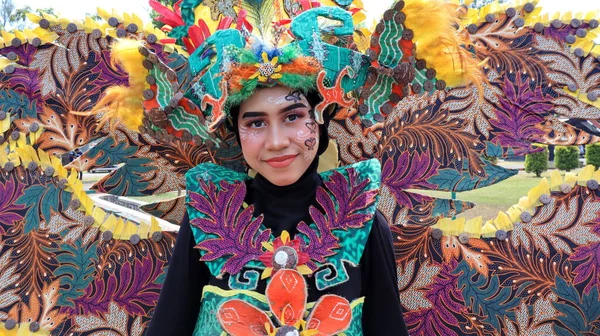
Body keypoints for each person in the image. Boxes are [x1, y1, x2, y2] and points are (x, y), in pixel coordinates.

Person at [146, 85, 408, 335]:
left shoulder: (360, 219)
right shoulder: (208, 213)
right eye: (256, 123)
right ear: (236, 131)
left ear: (319, 120)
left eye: (293, 116)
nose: (276, 142)